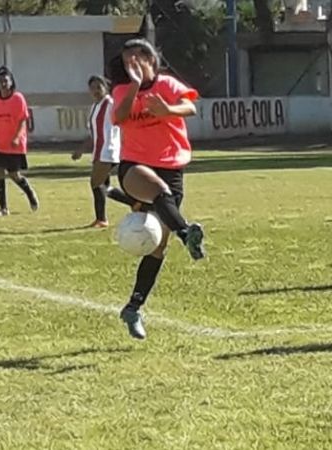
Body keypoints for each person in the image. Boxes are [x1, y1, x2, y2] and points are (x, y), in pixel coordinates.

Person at [111, 38, 206, 340]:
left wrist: (167, 109)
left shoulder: (168, 84)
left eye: (138, 58)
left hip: (172, 166)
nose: (133, 64)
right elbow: (120, 117)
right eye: (128, 60)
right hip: (134, 166)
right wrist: (135, 87)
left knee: (156, 248)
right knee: (159, 192)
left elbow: (190, 107)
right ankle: (185, 233)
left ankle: (133, 307)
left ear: (151, 59)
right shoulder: (122, 90)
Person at [71, 75, 137, 227]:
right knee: (103, 186)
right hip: (99, 151)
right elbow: (94, 133)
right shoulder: (95, 107)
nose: (95, 91)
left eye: (98, 87)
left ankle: (102, 218)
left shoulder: (110, 103)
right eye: (92, 88)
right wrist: (81, 149)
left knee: (96, 182)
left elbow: (122, 120)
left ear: (105, 87)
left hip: (108, 150)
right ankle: (134, 203)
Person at [0, 66, 38, 216]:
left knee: (14, 175)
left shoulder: (18, 98)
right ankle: (3, 208)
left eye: (5, 80)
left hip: (14, 144)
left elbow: (23, 120)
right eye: (0, 81)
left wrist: (17, 137)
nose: (3, 83)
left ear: (11, 82)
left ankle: (29, 192)